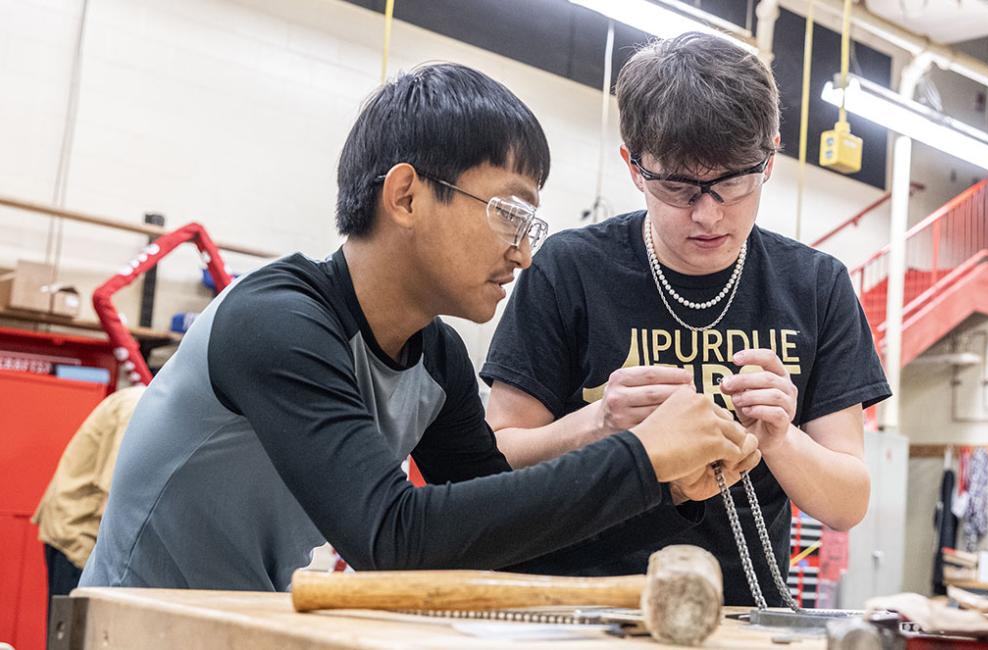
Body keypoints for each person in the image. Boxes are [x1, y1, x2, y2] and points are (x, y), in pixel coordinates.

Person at [80, 63, 759, 591]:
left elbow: (493, 522)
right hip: (138, 626)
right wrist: (641, 459)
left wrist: (666, 479)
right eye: (509, 214)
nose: (523, 252)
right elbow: (393, 537)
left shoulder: (436, 357)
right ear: (405, 195)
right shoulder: (276, 322)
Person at [482, 33, 891, 606]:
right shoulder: (571, 269)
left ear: (769, 158)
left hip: (742, 615)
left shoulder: (816, 286)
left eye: (731, 182)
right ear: (633, 165)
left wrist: (780, 438)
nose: (707, 214)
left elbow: (848, 502)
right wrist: (598, 422)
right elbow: (497, 457)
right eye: (677, 185)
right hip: (582, 609)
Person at [33, 386, 145, 614]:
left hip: (69, 523)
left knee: (65, 632)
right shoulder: (137, 407)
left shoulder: (136, 398)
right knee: (75, 635)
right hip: (80, 536)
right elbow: (114, 499)